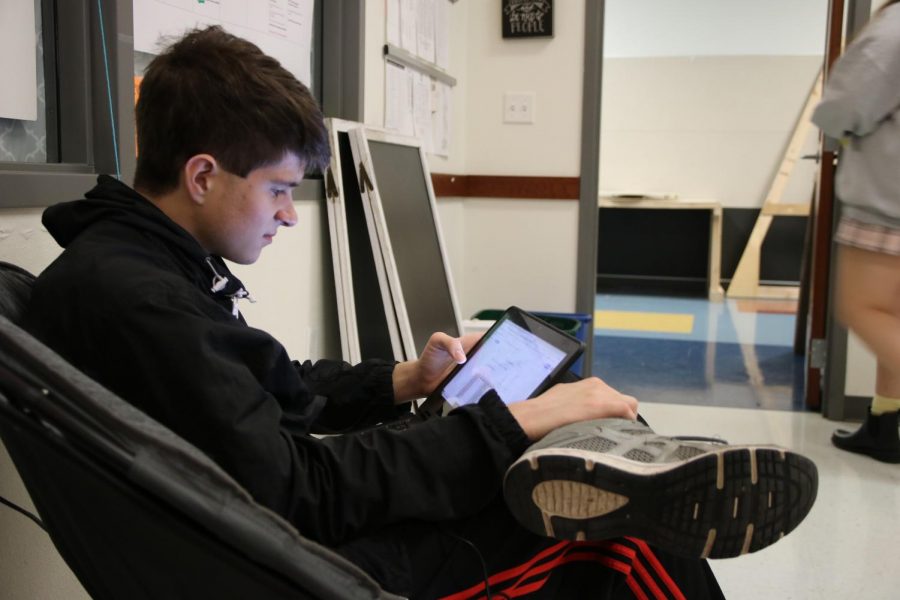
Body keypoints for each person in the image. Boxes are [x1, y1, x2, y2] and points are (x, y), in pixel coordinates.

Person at [23, 26, 816, 599]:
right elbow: (307, 491)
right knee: (622, 538)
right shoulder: (147, 302)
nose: (289, 216)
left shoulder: (132, 270)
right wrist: (512, 425)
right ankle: (614, 458)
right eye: (275, 189)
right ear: (202, 175)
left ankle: (609, 450)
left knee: (542, 441)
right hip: (315, 567)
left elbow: (263, 396)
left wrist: (402, 381)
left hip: (276, 538)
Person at [812, 0, 900, 463]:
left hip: (888, 203)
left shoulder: (893, 29)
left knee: (862, 308)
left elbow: (841, 109)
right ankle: (887, 424)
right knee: (894, 313)